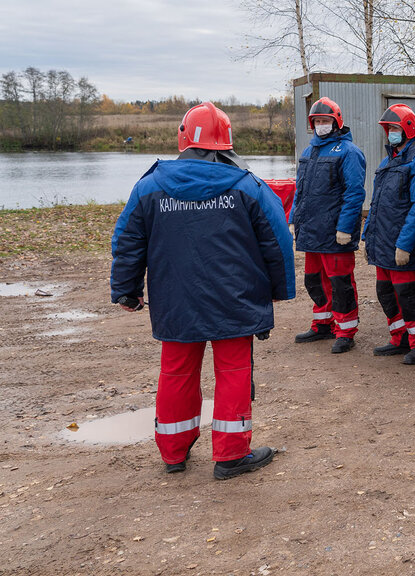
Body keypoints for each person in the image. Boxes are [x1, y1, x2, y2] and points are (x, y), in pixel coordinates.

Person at [110, 101, 294, 480]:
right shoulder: (247, 186)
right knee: (234, 372)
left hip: (175, 300)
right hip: (235, 299)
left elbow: (128, 240)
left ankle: (174, 452)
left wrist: (126, 289)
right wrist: (278, 289)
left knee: (176, 373)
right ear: (225, 145)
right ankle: (230, 456)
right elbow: (277, 240)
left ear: (184, 141)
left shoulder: (150, 187)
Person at [291, 97, 367, 354]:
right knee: (313, 281)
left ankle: (346, 330)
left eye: (325, 121)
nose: (321, 125)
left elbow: (355, 193)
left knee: (341, 283)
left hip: (335, 233)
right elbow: (300, 191)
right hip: (311, 230)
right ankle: (322, 323)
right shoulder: (308, 151)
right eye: (317, 121)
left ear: (336, 122)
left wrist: (345, 228)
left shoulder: (349, 152)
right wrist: (295, 220)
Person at [363, 104, 415, 365]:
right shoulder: (389, 160)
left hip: (403, 246)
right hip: (382, 243)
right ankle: (400, 338)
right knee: (385, 292)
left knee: (410, 295)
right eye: (388, 129)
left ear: (407, 129)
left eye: (394, 128)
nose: (390, 133)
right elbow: (377, 203)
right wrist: (367, 236)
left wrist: (404, 244)